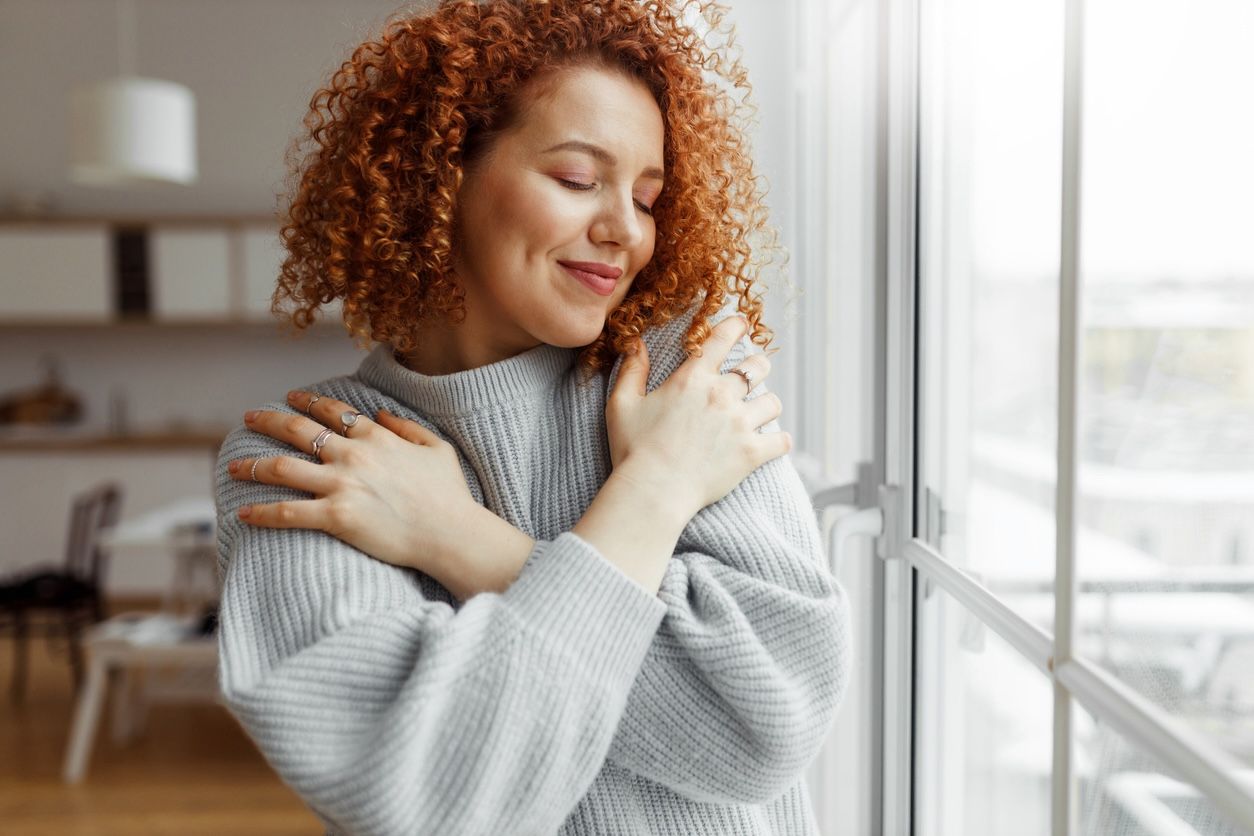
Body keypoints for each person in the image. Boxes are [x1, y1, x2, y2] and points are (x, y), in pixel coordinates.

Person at [213, 0, 851, 833]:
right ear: (438, 178)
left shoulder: (680, 385)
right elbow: (423, 797)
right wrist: (658, 488)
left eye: (649, 198)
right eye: (578, 179)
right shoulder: (313, 453)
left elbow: (762, 730)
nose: (626, 229)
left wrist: (460, 540)